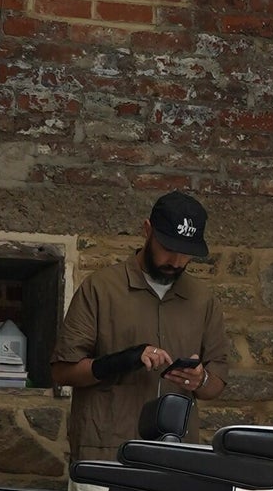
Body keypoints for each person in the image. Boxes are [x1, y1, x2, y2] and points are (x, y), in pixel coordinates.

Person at [50, 191, 230, 465]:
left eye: (186, 253)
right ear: (147, 231)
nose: (177, 261)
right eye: (168, 248)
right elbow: (62, 371)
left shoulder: (203, 299)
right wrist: (124, 360)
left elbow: (217, 381)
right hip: (105, 457)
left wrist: (200, 380)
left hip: (176, 461)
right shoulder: (100, 288)